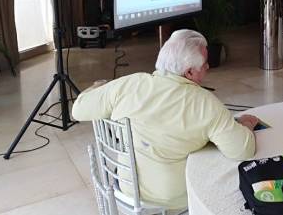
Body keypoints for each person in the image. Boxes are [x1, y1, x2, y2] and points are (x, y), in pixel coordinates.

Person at [72, 29, 258, 212]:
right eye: (205, 64)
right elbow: (243, 150)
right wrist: (246, 125)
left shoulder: (130, 84)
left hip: (127, 187)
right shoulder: (205, 103)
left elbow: (78, 110)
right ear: (190, 73)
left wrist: (98, 87)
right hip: (174, 201)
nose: (208, 67)